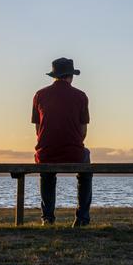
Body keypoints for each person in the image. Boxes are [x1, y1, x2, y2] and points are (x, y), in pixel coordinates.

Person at [31, 58, 92, 227]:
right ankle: (82, 219)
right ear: (70, 76)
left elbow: (38, 130)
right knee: (86, 170)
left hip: (46, 152)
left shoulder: (39, 95)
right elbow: (83, 132)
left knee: (46, 172)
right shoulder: (81, 96)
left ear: (54, 75)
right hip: (74, 152)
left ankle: (47, 218)